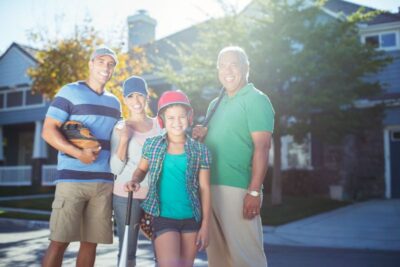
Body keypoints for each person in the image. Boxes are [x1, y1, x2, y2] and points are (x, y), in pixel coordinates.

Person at [192, 46, 275, 267]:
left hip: (238, 189)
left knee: (247, 259)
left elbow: (263, 147)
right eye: (222, 65)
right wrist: (201, 136)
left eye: (233, 64)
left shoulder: (256, 100)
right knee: (218, 260)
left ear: (246, 68)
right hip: (208, 189)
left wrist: (254, 191)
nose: (227, 70)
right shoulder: (214, 104)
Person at [41, 46, 121, 267]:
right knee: (59, 241)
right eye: (101, 61)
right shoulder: (69, 91)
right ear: (91, 63)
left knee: (90, 243)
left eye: (111, 63)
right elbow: (48, 130)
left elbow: (119, 137)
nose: (106, 67)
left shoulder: (115, 102)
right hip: (72, 181)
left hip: (103, 183)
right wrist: (78, 153)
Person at [125, 90, 211, 267]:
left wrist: (205, 225)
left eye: (181, 117)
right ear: (162, 120)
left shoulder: (200, 150)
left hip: (191, 219)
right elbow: (141, 169)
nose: (177, 122)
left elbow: (205, 188)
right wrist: (135, 179)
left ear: (189, 117)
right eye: (171, 118)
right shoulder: (153, 145)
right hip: (163, 217)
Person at [110, 75, 160, 266]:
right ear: (124, 99)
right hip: (126, 195)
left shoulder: (159, 125)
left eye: (140, 95)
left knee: (162, 247)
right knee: (127, 251)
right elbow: (115, 168)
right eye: (130, 96)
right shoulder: (120, 127)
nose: (136, 101)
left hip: (156, 195)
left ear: (147, 96)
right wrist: (124, 140)